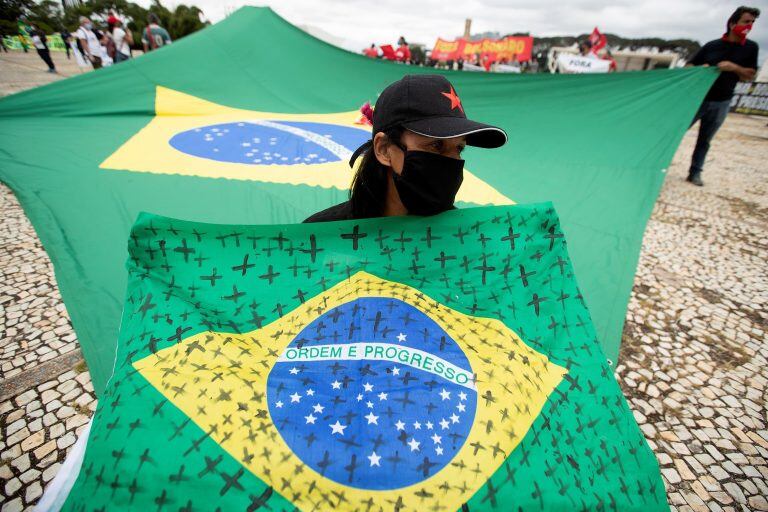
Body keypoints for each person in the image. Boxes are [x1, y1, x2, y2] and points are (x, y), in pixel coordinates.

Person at [304, 75, 507, 222]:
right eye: (436, 145)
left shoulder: (468, 241)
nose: (452, 162)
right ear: (384, 149)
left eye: (459, 148)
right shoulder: (321, 238)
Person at [686, 6, 760, 186]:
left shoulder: (751, 48)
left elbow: (750, 75)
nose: (749, 26)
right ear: (733, 23)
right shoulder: (712, 46)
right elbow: (688, 66)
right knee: (677, 132)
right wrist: (699, 70)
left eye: (752, 22)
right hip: (698, 99)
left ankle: (695, 172)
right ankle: (660, 164)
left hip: (722, 101)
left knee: (705, 140)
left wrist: (734, 67)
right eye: (745, 21)